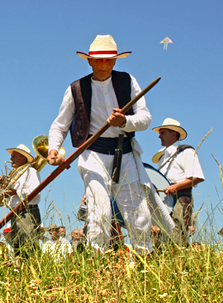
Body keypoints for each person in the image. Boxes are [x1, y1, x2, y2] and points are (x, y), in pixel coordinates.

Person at [47, 35, 153, 255]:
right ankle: (96, 263)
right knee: (100, 210)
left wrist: (125, 121)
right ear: (89, 61)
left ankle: (144, 263)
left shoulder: (128, 81)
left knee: (138, 213)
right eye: (98, 60)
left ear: (115, 61)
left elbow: (145, 118)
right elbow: (60, 125)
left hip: (125, 153)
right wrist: (53, 149)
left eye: (108, 60)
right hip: (91, 154)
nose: (103, 65)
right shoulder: (76, 88)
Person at [153, 118, 205, 247]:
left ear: (173, 134)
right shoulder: (163, 157)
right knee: (161, 238)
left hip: (180, 197)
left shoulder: (187, 152)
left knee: (177, 237)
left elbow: (197, 177)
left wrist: (175, 187)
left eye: (163, 132)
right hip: (163, 199)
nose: (159, 136)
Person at [0, 144, 42, 257]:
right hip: (16, 213)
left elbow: (36, 192)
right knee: (17, 245)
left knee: (28, 243)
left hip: (27, 212)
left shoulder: (31, 172)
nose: (11, 159)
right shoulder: (15, 174)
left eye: (14, 156)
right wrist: (6, 194)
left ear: (23, 158)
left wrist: (15, 192)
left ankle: (30, 269)